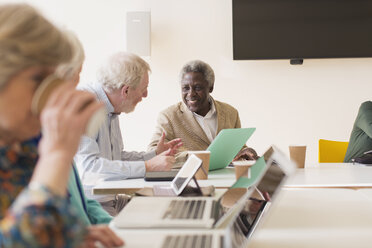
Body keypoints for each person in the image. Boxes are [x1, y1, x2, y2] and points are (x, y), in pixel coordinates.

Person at [0, 3, 109, 247]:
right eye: (38, 78)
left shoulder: (25, 146)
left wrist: (69, 237)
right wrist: (56, 156)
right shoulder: (45, 149)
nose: (49, 95)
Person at [74, 52, 182, 216]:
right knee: (165, 220)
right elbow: (89, 169)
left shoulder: (112, 108)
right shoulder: (85, 106)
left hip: (113, 200)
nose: (145, 95)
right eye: (144, 89)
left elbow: (116, 157)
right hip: (94, 207)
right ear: (125, 91)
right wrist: (147, 167)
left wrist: (153, 156)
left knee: (173, 209)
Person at [148, 60, 258, 163]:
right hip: (191, 181)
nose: (191, 94)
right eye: (186, 88)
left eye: (197, 88)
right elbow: (153, 151)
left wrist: (247, 151)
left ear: (210, 87)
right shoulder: (168, 116)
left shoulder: (231, 113)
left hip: (227, 179)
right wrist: (194, 157)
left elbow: (237, 147)